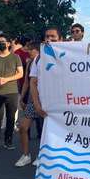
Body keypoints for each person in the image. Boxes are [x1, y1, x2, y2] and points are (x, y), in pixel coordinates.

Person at [27, 27, 63, 167]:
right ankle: (44, 158)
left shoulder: (71, 56)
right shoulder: (39, 58)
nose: (49, 39)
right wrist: (36, 104)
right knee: (44, 133)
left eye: (53, 36)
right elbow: (33, 82)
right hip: (45, 106)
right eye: (47, 36)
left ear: (61, 39)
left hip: (64, 105)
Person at [0, 34, 24, 152]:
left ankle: (8, 141)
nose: (0, 43)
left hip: (12, 92)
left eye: (3, 41)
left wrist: (6, 79)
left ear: (8, 43)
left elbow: (20, 73)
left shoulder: (15, 57)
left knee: (10, 118)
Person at [15, 41, 42, 167]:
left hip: (46, 101)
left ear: (36, 50)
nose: (27, 53)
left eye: (30, 50)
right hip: (32, 100)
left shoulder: (46, 61)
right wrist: (22, 96)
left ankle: (42, 155)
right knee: (23, 127)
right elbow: (27, 81)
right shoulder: (31, 63)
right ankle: (26, 155)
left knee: (44, 132)